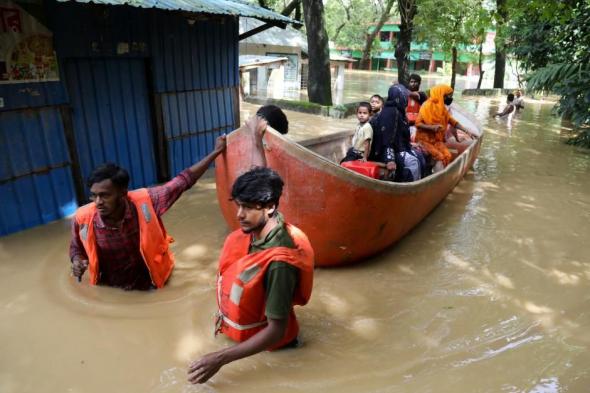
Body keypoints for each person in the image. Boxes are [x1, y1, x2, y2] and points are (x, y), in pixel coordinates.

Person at [187, 167, 314, 384]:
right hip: (248, 340)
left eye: (247, 208)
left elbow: (276, 331)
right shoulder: (258, 230)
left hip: (277, 352)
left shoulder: (279, 263)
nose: (239, 215)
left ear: (271, 207)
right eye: (238, 206)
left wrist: (220, 358)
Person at [69, 136, 227, 290]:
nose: (98, 202)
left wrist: (216, 152)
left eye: (105, 195)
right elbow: (77, 249)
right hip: (111, 287)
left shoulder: (147, 202)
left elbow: (183, 181)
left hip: (150, 281)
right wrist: (78, 261)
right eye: (94, 195)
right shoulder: (83, 218)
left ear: (123, 193)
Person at [415, 84, 478, 171]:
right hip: (424, 141)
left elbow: (453, 122)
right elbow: (417, 123)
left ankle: (437, 174)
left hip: (436, 141)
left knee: (447, 155)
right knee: (440, 156)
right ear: (441, 95)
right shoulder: (426, 106)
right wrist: (432, 127)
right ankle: (434, 174)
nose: (450, 98)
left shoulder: (442, 109)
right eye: (449, 96)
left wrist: (467, 131)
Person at [369, 84, 423, 182]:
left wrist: (409, 145)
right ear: (400, 97)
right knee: (414, 162)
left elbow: (398, 136)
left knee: (419, 155)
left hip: (396, 148)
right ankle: (409, 189)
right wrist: (390, 159)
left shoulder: (397, 111)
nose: (407, 100)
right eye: (405, 97)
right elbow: (387, 138)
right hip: (385, 152)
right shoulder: (392, 113)